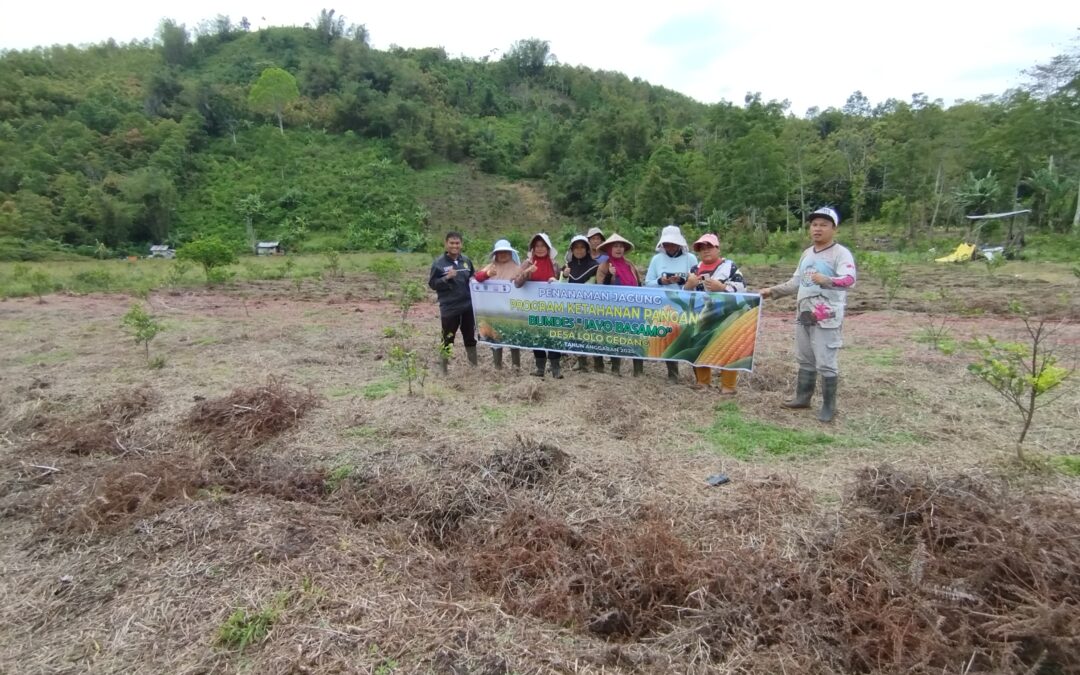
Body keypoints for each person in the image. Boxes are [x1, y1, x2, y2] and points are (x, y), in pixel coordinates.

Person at [760, 207, 856, 422]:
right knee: (805, 358)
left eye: (823, 225)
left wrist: (828, 280)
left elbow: (850, 280)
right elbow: (796, 282)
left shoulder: (841, 253)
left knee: (826, 361)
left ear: (834, 228)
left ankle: (829, 406)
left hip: (826, 316)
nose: (818, 229)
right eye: (814, 225)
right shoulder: (807, 253)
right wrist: (771, 292)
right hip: (804, 314)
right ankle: (803, 398)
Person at [684, 233, 746, 395]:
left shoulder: (730, 267)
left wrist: (723, 288)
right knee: (700, 345)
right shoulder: (694, 269)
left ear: (717, 249)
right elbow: (684, 294)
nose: (706, 251)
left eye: (709, 247)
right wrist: (689, 286)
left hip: (726, 314)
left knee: (729, 347)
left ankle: (728, 385)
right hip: (701, 314)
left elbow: (742, 288)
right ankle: (703, 382)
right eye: (702, 248)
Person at [645, 225, 698, 383]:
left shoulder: (691, 259)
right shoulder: (657, 260)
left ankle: (699, 376)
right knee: (669, 338)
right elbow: (647, 283)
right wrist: (661, 281)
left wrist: (682, 281)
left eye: (673, 243)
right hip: (666, 306)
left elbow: (697, 282)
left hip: (687, 304)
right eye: (667, 244)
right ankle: (673, 375)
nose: (670, 247)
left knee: (692, 338)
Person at [514, 233, 564, 379]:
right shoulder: (527, 263)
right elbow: (516, 283)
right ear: (533, 248)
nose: (540, 249)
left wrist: (556, 280)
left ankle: (556, 369)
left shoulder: (554, 264)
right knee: (537, 336)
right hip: (533, 307)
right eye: (537, 246)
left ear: (548, 248)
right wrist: (527, 273)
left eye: (543, 246)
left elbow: (562, 282)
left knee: (554, 336)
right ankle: (540, 368)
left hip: (552, 307)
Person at [427, 231, 477, 374]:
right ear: (446, 244)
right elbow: (432, 284)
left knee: (469, 337)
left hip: (467, 306)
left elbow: (472, 275)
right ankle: (444, 369)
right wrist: (446, 278)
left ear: (461, 244)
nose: (455, 246)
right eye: (452, 243)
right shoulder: (439, 264)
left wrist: (474, 279)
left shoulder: (466, 261)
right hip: (449, 307)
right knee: (448, 337)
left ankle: (473, 367)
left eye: (457, 243)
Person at [597, 233, 644, 376]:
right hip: (614, 309)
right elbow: (600, 290)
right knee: (616, 338)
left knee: (636, 337)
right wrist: (610, 275)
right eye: (615, 246)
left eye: (621, 246)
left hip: (633, 308)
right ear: (609, 249)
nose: (618, 249)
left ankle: (638, 371)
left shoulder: (630, 265)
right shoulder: (603, 267)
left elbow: (639, 284)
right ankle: (615, 369)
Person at [474, 238, 523, 370]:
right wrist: (487, 274)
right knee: (495, 337)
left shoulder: (517, 268)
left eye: (505, 252)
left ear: (510, 253)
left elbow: (523, 284)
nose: (503, 255)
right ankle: (498, 367)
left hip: (512, 310)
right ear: (495, 254)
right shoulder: (491, 267)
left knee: (513, 338)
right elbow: (477, 278)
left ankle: (516, 366)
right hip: (493, 309)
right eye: (500, 252)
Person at [560, 235, 600, 372]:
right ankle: (580, 361)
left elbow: (591, 285)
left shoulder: (594, 266)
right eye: (576, 247)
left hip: (589, 306)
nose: (579, 250)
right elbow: (561, 287)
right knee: (576, 334)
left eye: (582, 247)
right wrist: (565, 276)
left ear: (587, 249)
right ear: (571, 250)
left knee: (590, 334)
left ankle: (596, 363)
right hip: (571, 307)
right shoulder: (567, 267)